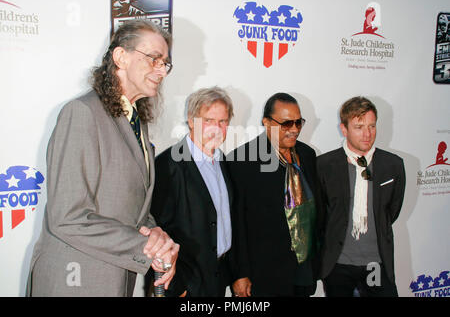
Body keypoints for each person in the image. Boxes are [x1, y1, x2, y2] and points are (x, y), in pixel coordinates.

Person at [27, 20, 179, 296]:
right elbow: (68, 217)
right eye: (154, 59)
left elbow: (132, 209)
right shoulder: (82, 113)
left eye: (165, 63)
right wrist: (143, 248)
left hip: (114, 277)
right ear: (121, 57)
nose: (161, 70)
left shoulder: (136, 123)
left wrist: (156, 236)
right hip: (75, 281)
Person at [227, 92, 320, 297]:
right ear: (267, 122)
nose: (294, 129)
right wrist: (239, 273)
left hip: (303, 270)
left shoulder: (307, 155)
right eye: (287, 124)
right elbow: (235, 224)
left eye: (298, 122)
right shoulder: (241, 161)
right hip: (262, 276)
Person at [149, 86, 235, 296]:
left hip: (216, 278)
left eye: (222, 122)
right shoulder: (167, 165)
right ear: (191, 120)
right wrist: (177, 286)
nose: (216, 128)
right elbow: (157, 230)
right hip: (184, 284)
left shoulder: (222, 161)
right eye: (208, 121)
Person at [316, 96, 406, 297]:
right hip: (338, 265)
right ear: (344, 129)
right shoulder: (324, 165)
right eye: (359, 127)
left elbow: (392, 210)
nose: (367, 134)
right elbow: (321, 216)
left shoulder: (393, 165)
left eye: (372, 126)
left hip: (378, 263)